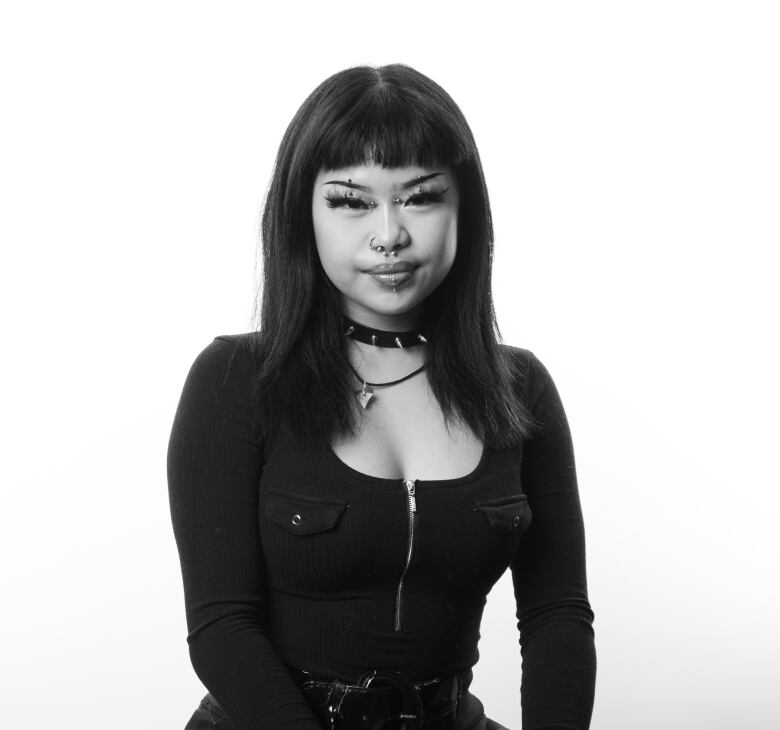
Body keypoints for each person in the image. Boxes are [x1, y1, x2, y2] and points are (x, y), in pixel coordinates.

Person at [167, 63, 596, 730]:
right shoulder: (235, 379)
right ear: (302, 213)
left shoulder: (522, 390)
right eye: (350, 200)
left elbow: (557, 615)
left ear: (465, 209)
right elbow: (222, 628)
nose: (389, 233)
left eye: (420, 197)